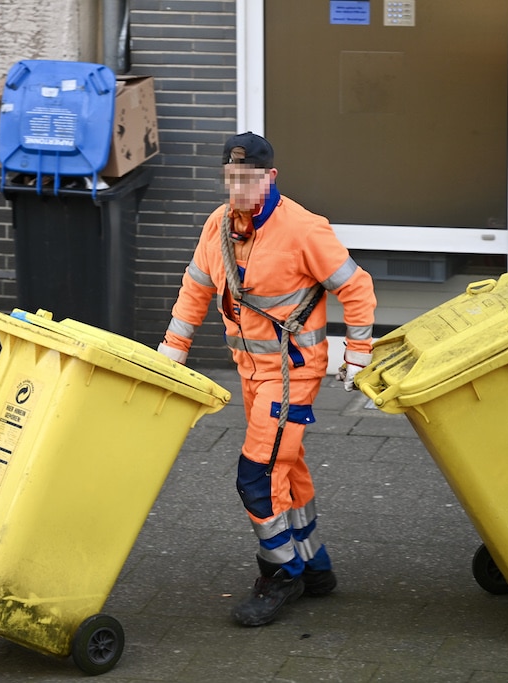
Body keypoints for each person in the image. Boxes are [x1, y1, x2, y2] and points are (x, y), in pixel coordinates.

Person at [157, 132, 377, 627]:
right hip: (252, 373)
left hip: (292, 374)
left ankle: (281, 572)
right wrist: (174, 349)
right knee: (287, 466)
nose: (238, 189)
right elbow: (195, 286)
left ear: (269, 178)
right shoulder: (218, 226)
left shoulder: (303, 229)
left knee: (256, 476)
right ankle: (314, 567)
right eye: (231, 179)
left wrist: (358, 354)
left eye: (248, 179)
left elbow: (356, 287)